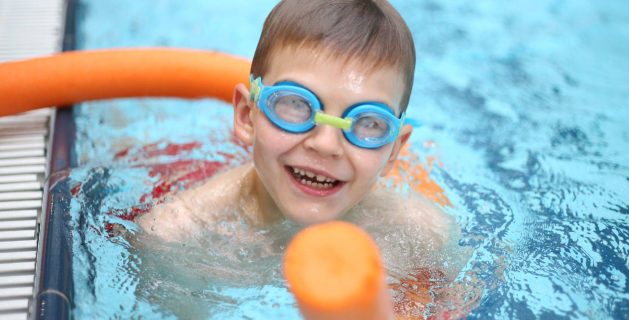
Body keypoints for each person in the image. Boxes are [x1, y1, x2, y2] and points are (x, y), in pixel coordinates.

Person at [136, 0, 471, 317]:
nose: (327, 145)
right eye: (296, 105)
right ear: (245, 115)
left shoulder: (423, 236)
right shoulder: (177, 234)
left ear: (394, 151)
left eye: (368, 123)